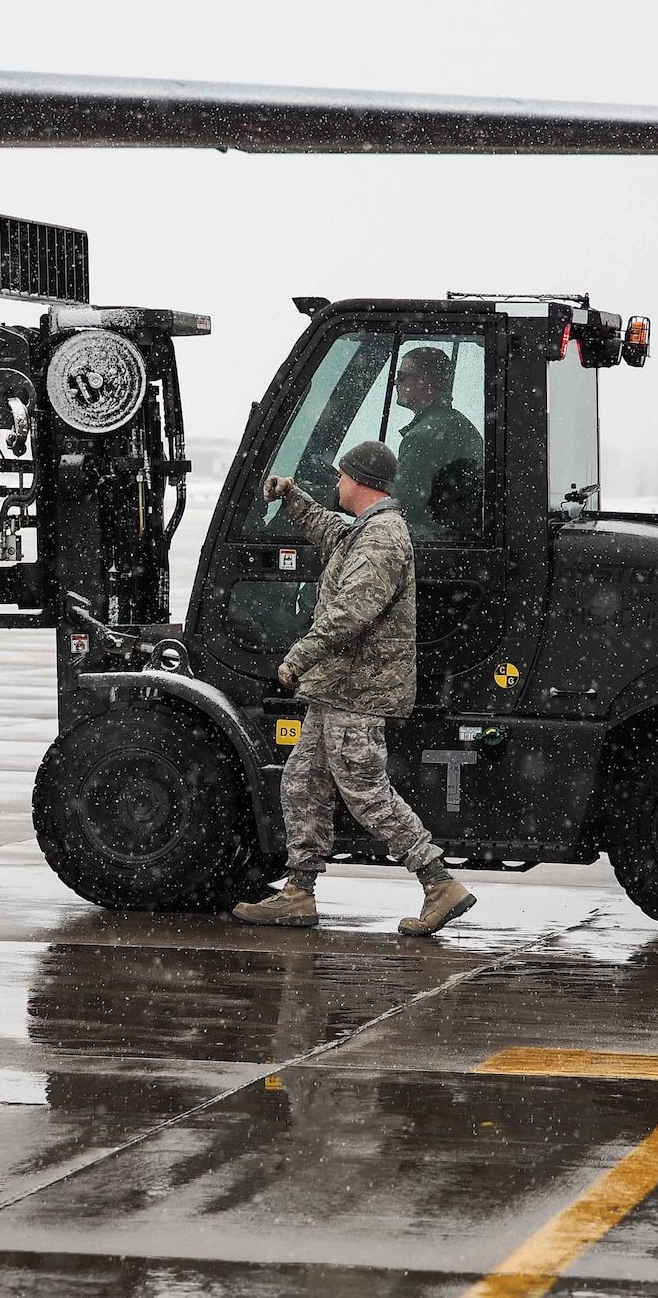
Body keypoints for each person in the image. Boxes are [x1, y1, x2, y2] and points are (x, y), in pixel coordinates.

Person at [233, 439, 476, 937]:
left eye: (342, 477)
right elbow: (332, 534)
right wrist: (293, 498)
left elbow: (352, 614)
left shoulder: (384, 538)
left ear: (360, 481)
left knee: (367, 794)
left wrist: (298, 656)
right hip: (337, 691)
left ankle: (439, 883)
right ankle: (299, 893)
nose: (337, 484)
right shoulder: (366, 532)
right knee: (302, 782)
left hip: (359, 693)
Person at [391, 345, 483, 540]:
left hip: (434, 546)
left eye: (401, 376)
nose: (395, 382)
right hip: (459, 541)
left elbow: (401, 510)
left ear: (422, 381)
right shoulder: (459, 425)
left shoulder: (422, 438)